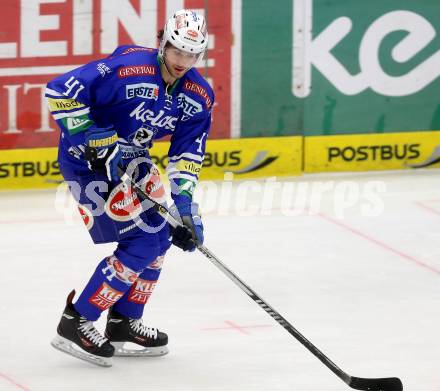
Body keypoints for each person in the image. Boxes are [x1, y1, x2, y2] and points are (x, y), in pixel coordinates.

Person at [46, 9, 214, 367]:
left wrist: (184, 206)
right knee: (139, 241)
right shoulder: (127, 68)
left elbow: (187, 152)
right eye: (177, 51)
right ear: (163, 43)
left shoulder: (198, 94)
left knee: (163, 235)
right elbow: (59, 91)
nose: (183, 61)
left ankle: (123, 322)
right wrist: (88, 133)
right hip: (87, 164)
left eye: (192, 53)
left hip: (133, 163)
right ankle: (77, 320)